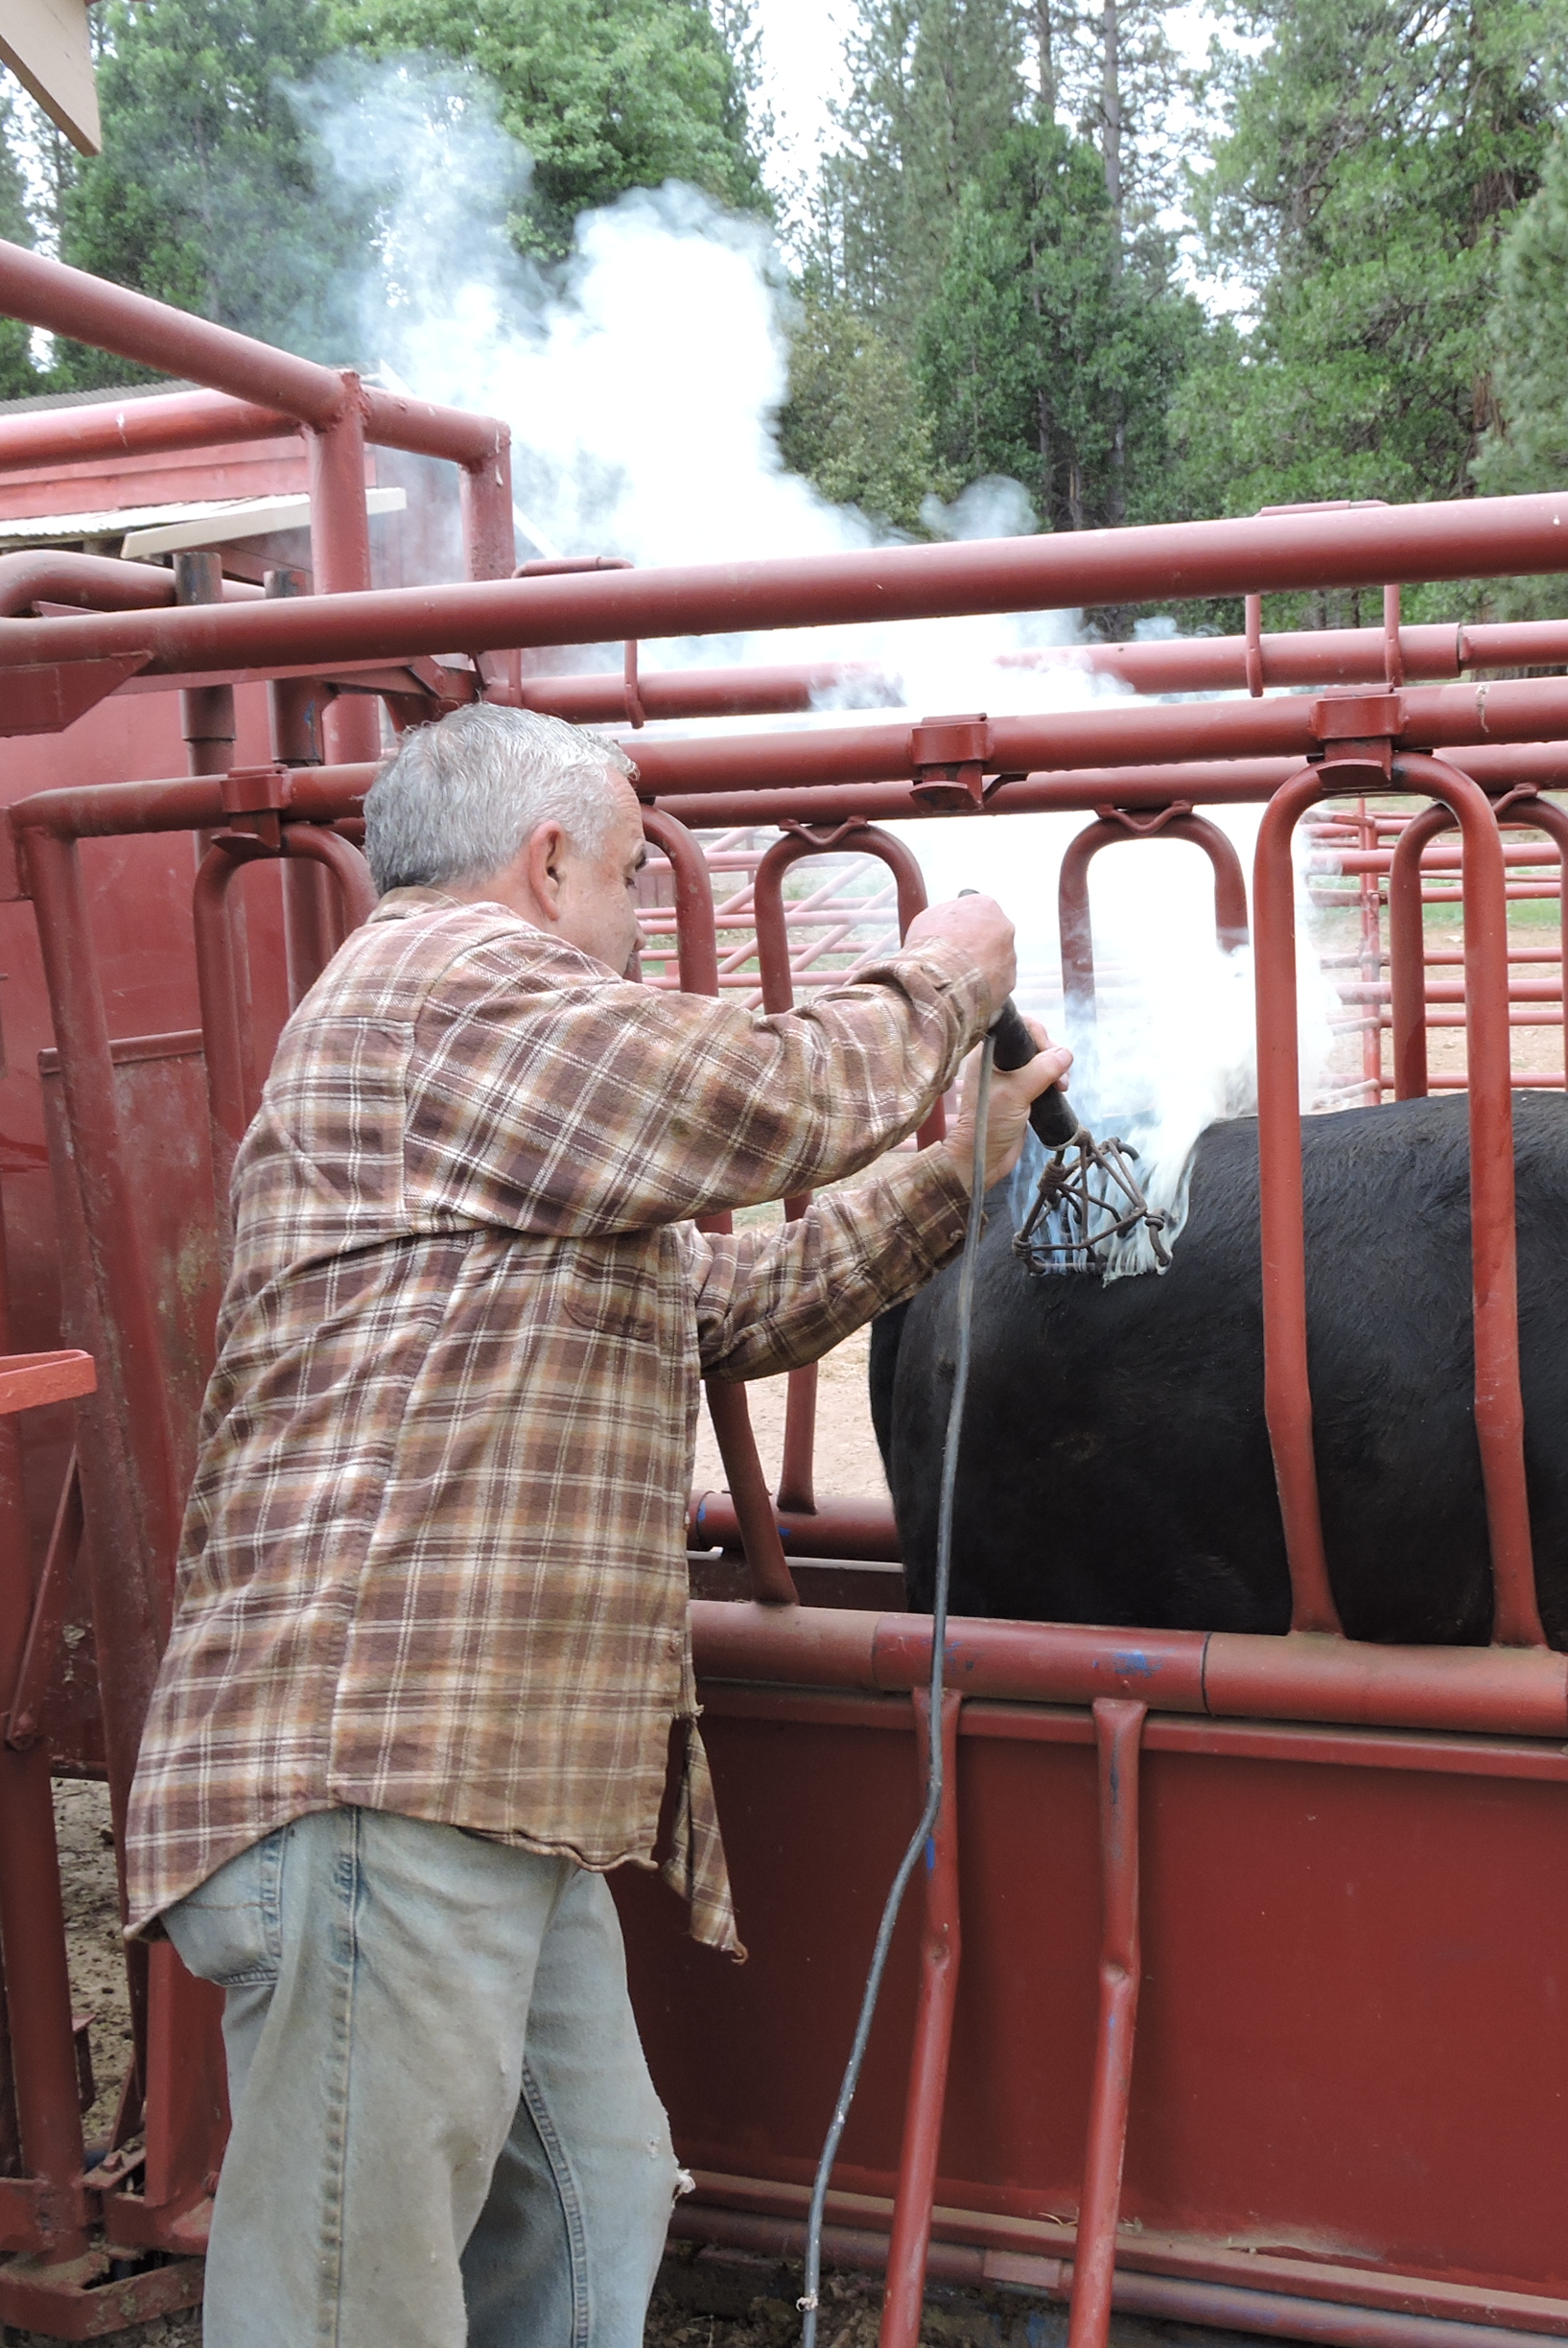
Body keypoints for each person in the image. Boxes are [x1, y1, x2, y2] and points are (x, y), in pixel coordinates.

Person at [118, 700, 1065, 2346]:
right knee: (354, 2304)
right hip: (387, 1774)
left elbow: (723, 1302)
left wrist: (950, 1177)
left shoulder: (479, 1071)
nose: (639, 927)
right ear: (548, 863)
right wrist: (951, 969)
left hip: (484, 1785)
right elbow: (769, 1096)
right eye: (632, 879)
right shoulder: (453, 987)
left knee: (590, 2195)